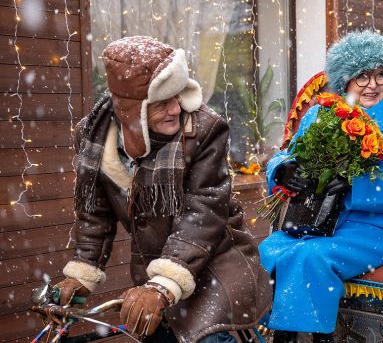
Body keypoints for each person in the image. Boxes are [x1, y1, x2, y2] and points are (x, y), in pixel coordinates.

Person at [54, 36, 272, 343]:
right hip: (154, 277)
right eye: (162, 102)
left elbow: (203, 212)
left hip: (216, 269)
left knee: (206, 336)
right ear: (130, 109)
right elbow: (95, 213)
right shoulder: (96, 137)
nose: (175, 108)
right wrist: (82, 273)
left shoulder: (205, 130)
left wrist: (163, 284)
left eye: (178, 96)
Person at [259, 30, 383, 343]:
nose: (372, 85)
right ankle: (277, 333)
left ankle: (308, 338)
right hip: (316, 222)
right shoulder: (320, 114)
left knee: (312, 256)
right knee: (270, 249)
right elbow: (287, 154)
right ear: (345, 79)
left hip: (378, 230)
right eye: (361, 76)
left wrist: (357, 184)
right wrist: (283, 171)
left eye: (380, 75)